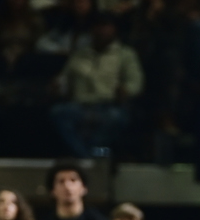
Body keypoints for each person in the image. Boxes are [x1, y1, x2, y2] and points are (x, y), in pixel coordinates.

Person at [48, 12, 143, 157]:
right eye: (97, 26)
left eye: (105, 26)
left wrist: (126, 90)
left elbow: (135, 81)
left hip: (108, 106)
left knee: (116, 118)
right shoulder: (79, 54)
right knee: (58, 113)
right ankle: (88, 157)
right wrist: (57, 87)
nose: (101, 30)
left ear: (114, 29)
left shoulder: (125, 54)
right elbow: (64, 80)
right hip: (79, 106)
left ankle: (89, 155)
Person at [33, 162, 110, 220]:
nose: (67, 186)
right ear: (52, 190)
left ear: (84, 188)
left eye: (73, 180)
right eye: (61, 181)